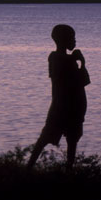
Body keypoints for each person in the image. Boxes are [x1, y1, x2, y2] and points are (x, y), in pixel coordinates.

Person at [27, 24, 90, 169]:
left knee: (72, 141)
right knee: (45, 138)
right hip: (61, 107)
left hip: (74, 109)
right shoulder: (55, 58)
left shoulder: (69, 59)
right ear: (62, 39)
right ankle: (28, 168)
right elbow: (65, 79)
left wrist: (81, 62)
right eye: (72, 38)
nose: (74, 41)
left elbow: (84, 81)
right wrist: (75, 60)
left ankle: (69, 170)